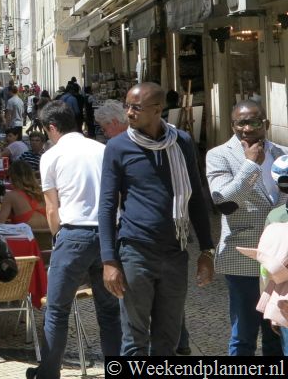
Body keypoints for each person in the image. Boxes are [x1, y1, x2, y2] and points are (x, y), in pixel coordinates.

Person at [99, 82, 215, 356]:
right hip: (135, 252)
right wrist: (108, 260)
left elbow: (196, 198)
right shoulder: (117, 147)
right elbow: (106, 206)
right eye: (127, 105)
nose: (128, 112)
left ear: (157, 109)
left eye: (135, 107)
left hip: (175, 253)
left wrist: (207, 251)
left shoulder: (182, 142)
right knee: (134, 341)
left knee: (168, 339)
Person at [26, 101, 121, 379]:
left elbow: (52, 209)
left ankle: (49, 373)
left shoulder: (51, 156)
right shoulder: (104, 150)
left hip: (73, 234)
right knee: (109, 310)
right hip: (107, 235)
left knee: (57, 309)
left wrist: (60, 238)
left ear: (52, 128)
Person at [205, 100, 285, 356]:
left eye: (254, 122)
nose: (248, 128)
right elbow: (225, 202)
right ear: (233, 125)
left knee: (277, 332)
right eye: (241, 123)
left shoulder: (282, 154)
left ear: (266, 124)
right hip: (243, 259)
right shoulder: (219, 155)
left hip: (281, 261)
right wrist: (250, 164)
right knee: (244, 335)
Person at [0, 160, 48, 232]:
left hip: (25, 238)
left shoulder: (10, 196)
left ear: (12, 177)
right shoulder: (43, 193)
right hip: (47, 239)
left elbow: (0, 225)